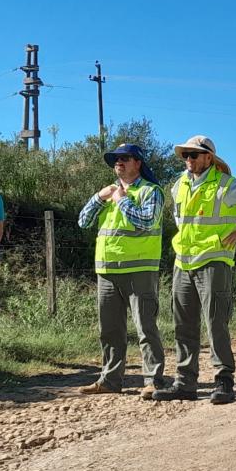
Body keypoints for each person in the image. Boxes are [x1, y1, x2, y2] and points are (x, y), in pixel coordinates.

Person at [152, 135, 236, 405]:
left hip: (215, 260)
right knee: (183, 325)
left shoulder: (228, 186)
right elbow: (181, 219)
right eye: (185, 156)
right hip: (183, 261)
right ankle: (185, 382)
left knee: (216, 323)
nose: (188, 160)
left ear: (208, 158)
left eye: (194, 155)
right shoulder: (178, 186)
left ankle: (224, 380)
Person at [77, 144, 166, 399]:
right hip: (106, 270)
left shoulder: (151, 191)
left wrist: (122, 200)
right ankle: (109, 380)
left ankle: (153, 381)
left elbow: (147, 221)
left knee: (145, 328)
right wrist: (98, 197)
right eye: (115, 159)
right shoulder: (109, 193)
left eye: (124, 158)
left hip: (140, 269)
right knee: (110, 330)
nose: (119, 163)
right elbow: (83, 221)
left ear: (137, 163)